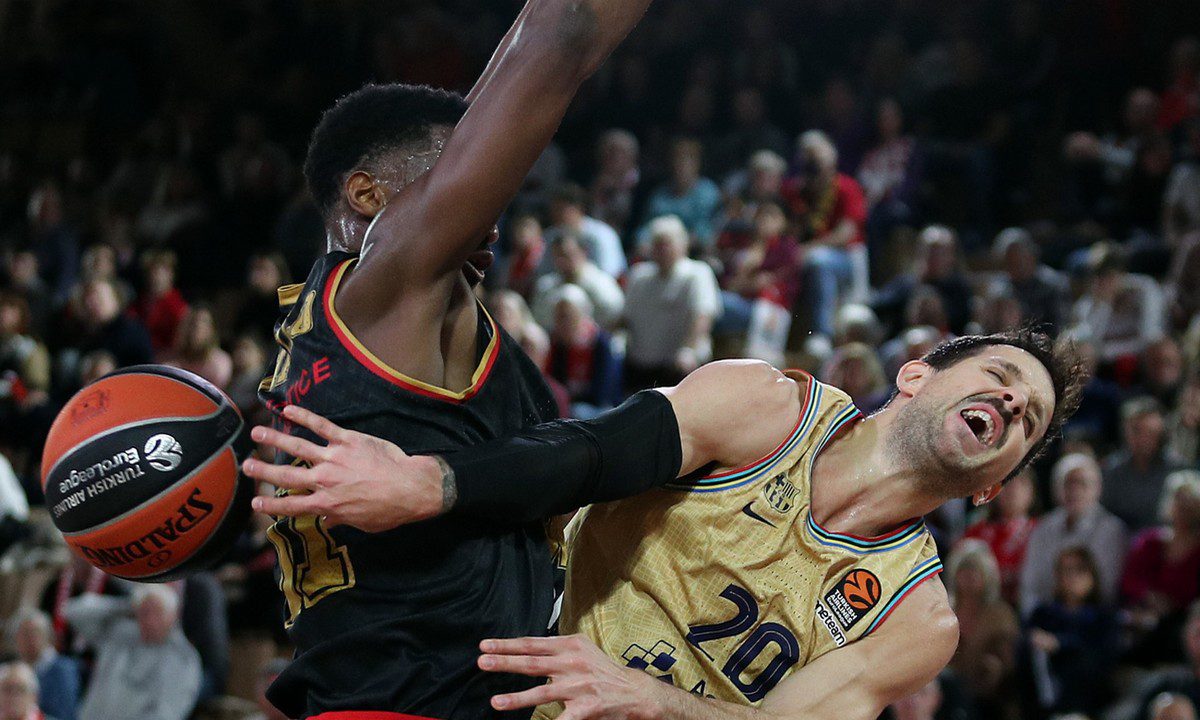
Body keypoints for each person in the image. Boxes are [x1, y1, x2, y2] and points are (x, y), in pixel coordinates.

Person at [245, 328, 1084, 720]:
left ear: (995, 487)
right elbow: (586, 456)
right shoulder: (766, 407)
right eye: (1002, 375)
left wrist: (648, 699)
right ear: (915, 375)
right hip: (509, 652)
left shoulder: (918, 619)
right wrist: (428, 483)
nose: (1013, 401)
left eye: (1031, 419)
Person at [250, 1, 658, 717]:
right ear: (367, 194)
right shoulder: (388, 280)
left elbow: (511, 76)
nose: (491, 216)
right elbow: (563, 32)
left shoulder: (315, 339)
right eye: (461, 182)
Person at [67, 586, 201, 720]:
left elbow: (166, 713)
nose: (150, 620)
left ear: (173, 616)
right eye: (144, 613)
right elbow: (73, 611)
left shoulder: (183, 657)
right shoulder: (120, 633)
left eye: (157, 613)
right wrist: (126, 605)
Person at [1020, 453, 1128, 614]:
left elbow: (1107, 589)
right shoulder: (1043, 528)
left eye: (1082, 483)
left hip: (1094, 617)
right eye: (1068, 483)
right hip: (1046, 614)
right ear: (1056, 488)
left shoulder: (1112, 530)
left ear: (1098, 488)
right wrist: (1036, 617)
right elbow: (1029, 586)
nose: (1074, 490)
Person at [622, 215, 721, 391]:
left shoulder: (697, 273)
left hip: (679, 367)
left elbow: (703, 315)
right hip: (641, 364)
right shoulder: (639, 275)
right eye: (657, 244)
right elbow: (626, 316)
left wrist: (688, 350)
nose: (662, 250)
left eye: (667, 244)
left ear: (683, 244)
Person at [9, 609, 79, 720]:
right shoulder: (13, 670)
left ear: (48, 637)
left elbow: (64, 714)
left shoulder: (63, 669)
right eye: (24, 634)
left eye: (34, 633)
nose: (29, 639)